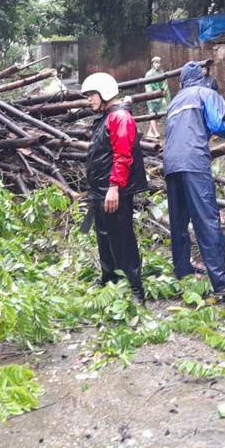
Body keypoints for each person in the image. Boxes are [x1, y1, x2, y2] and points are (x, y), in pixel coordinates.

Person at [163, 62, 225, 298]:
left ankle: (183, 272)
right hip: (194, 161)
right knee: (206, 219)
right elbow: (217, 124)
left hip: (171, 163)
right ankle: (223, 282)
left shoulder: (175, 101)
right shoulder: (207, 93)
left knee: (179, 221)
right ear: (202, 77)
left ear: (182, 80)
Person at [81, 72, 149, 304]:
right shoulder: (105, 116)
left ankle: (134, 288)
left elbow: (123, 155)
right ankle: (109, 278)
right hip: (100, 190)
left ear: (105, 93)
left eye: (91, 94)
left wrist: (114, 188)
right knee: (103, 236)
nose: (88, 99)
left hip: (114, 190)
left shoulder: (120, 117)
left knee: (122, 238)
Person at [143, 56, 171, 139]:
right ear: (152, 64)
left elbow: (165, 85)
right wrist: (152, 96)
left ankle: (149, 132)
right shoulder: (149, 74)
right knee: (152, 113)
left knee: (159, 114)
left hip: (161, 96)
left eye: (159, 62)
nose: (158, 64)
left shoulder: (161, 73)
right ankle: (155, 132)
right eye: (156, 63)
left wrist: (163, 97)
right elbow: (148, 87)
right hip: (151, 97)